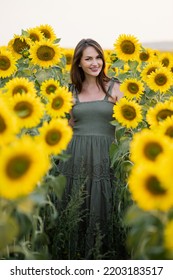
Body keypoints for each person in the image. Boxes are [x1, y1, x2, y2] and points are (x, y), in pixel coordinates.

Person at [57, 38, 124, 259]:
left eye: (98, 57)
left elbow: (128, 125)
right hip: (76, 156)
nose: (95, 63)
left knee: (105, 206)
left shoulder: (115, 87)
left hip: (106, 155)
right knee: (77, 206)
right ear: (78, 63)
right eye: (88, 59)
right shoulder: (69, 91)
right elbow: (69, 127)